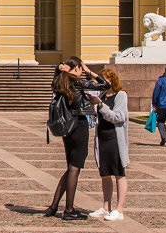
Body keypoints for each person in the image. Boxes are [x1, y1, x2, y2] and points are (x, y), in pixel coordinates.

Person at [43, 56, 111, 221]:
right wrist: (90, 72)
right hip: (78, 125)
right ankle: (69, 209)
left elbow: (56, 73)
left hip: (67, 128)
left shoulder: (60, 83)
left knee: (70, 168)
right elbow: (106, 85)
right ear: (78, 68)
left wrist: (60, 67)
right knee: (75, 168)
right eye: (81, 68)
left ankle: (53, 206)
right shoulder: (78, 83)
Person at [90, 67, 129, 222]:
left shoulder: (121, 95)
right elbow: (98, 117)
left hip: (115, 139)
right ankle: (106, 207)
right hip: (102, 138)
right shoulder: (103, 95)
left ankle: (119, 209)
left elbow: (118, 117)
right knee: (105, 174)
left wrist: (100, 106)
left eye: (104, 81)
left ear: (112, 81)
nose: (101, 84)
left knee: (119, 173)